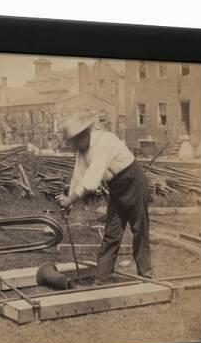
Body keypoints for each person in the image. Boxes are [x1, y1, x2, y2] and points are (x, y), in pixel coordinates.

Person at [55, 115, 153, 281]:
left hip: (133, 180)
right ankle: (101, 279)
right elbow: (78, 175)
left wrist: (70, 199)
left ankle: (146, 276)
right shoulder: (83, 150)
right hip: (116, 186)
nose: (73, 145)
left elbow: (92, 178)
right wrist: (68, 204)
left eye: (74, 141)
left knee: (139, 229)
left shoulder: (104, 141)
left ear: (83, 135)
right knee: (112, 233)